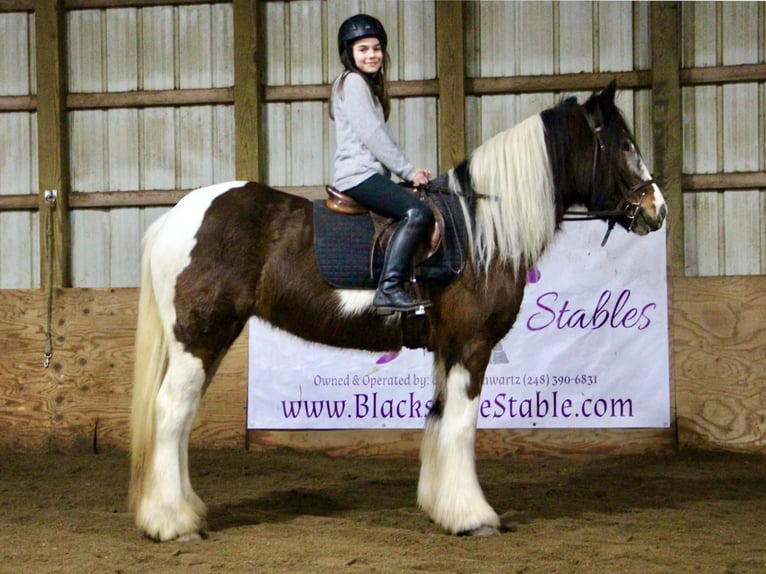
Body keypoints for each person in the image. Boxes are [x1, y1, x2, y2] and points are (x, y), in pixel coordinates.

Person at [330, 13, 434, 314]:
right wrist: (407, 170)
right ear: (349, 53)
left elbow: (382, 137)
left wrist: (409, 170)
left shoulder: (366, 87)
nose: (371, 55)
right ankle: (388, 288)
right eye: (363, 49)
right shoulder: (351, 82)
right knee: (417, 212)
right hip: (358, 175)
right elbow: (374, 136)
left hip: (369, 173)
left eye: (376, 48)